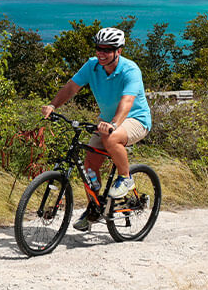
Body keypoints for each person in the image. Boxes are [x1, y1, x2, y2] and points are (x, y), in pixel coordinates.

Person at [40, 27, 152, 231]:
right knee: (89, 164)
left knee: (111, 138)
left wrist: (114, 124)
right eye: (98, 48)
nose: (101, 53)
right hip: (106, 122)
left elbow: (127, 101)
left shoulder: (131, 70)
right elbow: (71, 87)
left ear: (118, 51)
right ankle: (95, 207)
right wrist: (53, 105)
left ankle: (125, 179)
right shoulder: (92, 66)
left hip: (135, 120)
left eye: (107, 50)